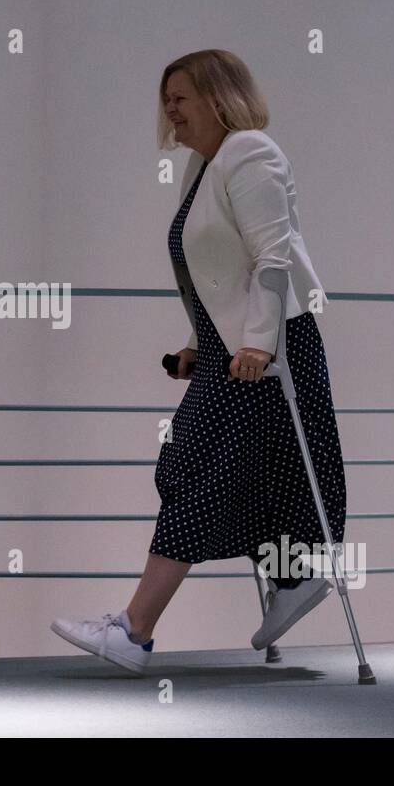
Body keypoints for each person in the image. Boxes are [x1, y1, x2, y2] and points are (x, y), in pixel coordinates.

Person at [51, 49, 347, 673]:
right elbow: (214, 271)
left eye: (180, 99)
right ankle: (292, 579)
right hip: (232, 348)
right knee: (242, 473)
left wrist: (258, 344)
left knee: (196, 472)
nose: (171, 112)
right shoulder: (204, 166)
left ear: (217, 98)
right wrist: (198, 341)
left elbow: (272, 257)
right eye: (167, 101)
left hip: (269, 348)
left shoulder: (251, 153)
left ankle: (133, 630)